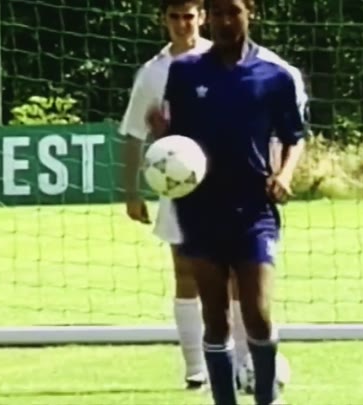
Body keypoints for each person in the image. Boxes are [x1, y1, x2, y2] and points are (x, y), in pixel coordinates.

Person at [149, 0, 308, 402]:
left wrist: (284, 175)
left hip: (254, 209)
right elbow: (178, 143)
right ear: (208, 16)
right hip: (200, 209)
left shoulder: (274, 76)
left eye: (233, 12)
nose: (224, 20)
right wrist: (161, 134)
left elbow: (294, 136)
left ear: (250, 13)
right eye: (217, 12)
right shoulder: (184, 72)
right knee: (215, 318)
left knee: (257, 312)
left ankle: (267, 396)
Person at [119, 0, 245, 390]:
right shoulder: (152, 72)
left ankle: (244, 362)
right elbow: (133, 132)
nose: (181, 24)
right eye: (174, 17)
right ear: (164, 20)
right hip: (179, 185)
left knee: (236, 275)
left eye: (188, 16)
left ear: (201, 18)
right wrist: (130, 191)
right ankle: (195, 368)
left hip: (227, 181)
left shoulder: (226, 57)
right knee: (186, 273)